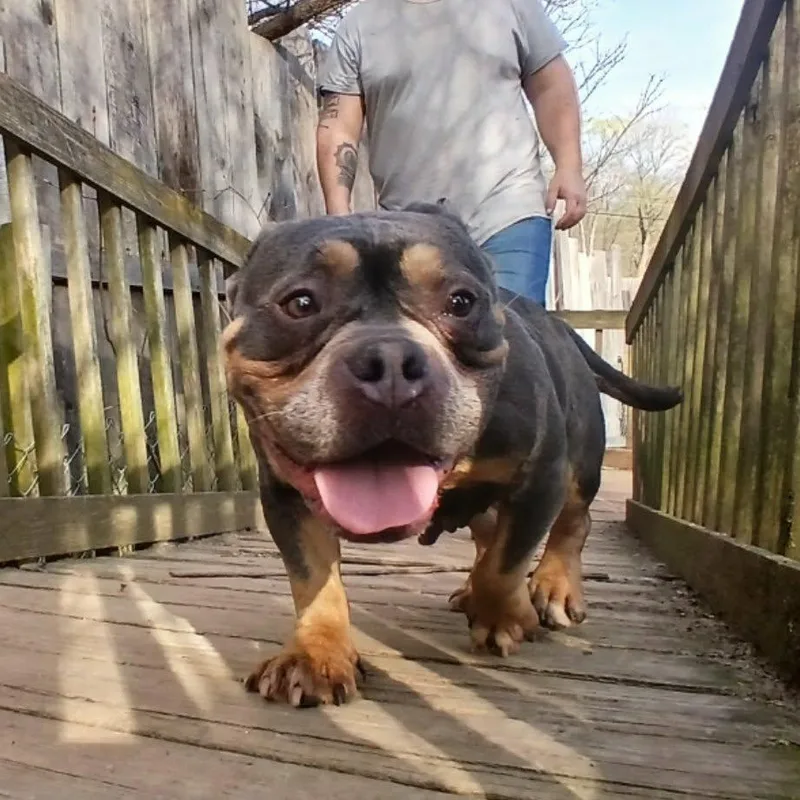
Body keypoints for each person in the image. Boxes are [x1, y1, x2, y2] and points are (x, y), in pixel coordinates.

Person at [315, 0, 587, 306]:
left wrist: (569, 166)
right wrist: (339, 216)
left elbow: (551, 85)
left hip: (509, 209)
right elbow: (339, 124)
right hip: (407, 227)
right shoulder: (360, 24)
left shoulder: (511, 5)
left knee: (514, 333)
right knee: (423, 343)